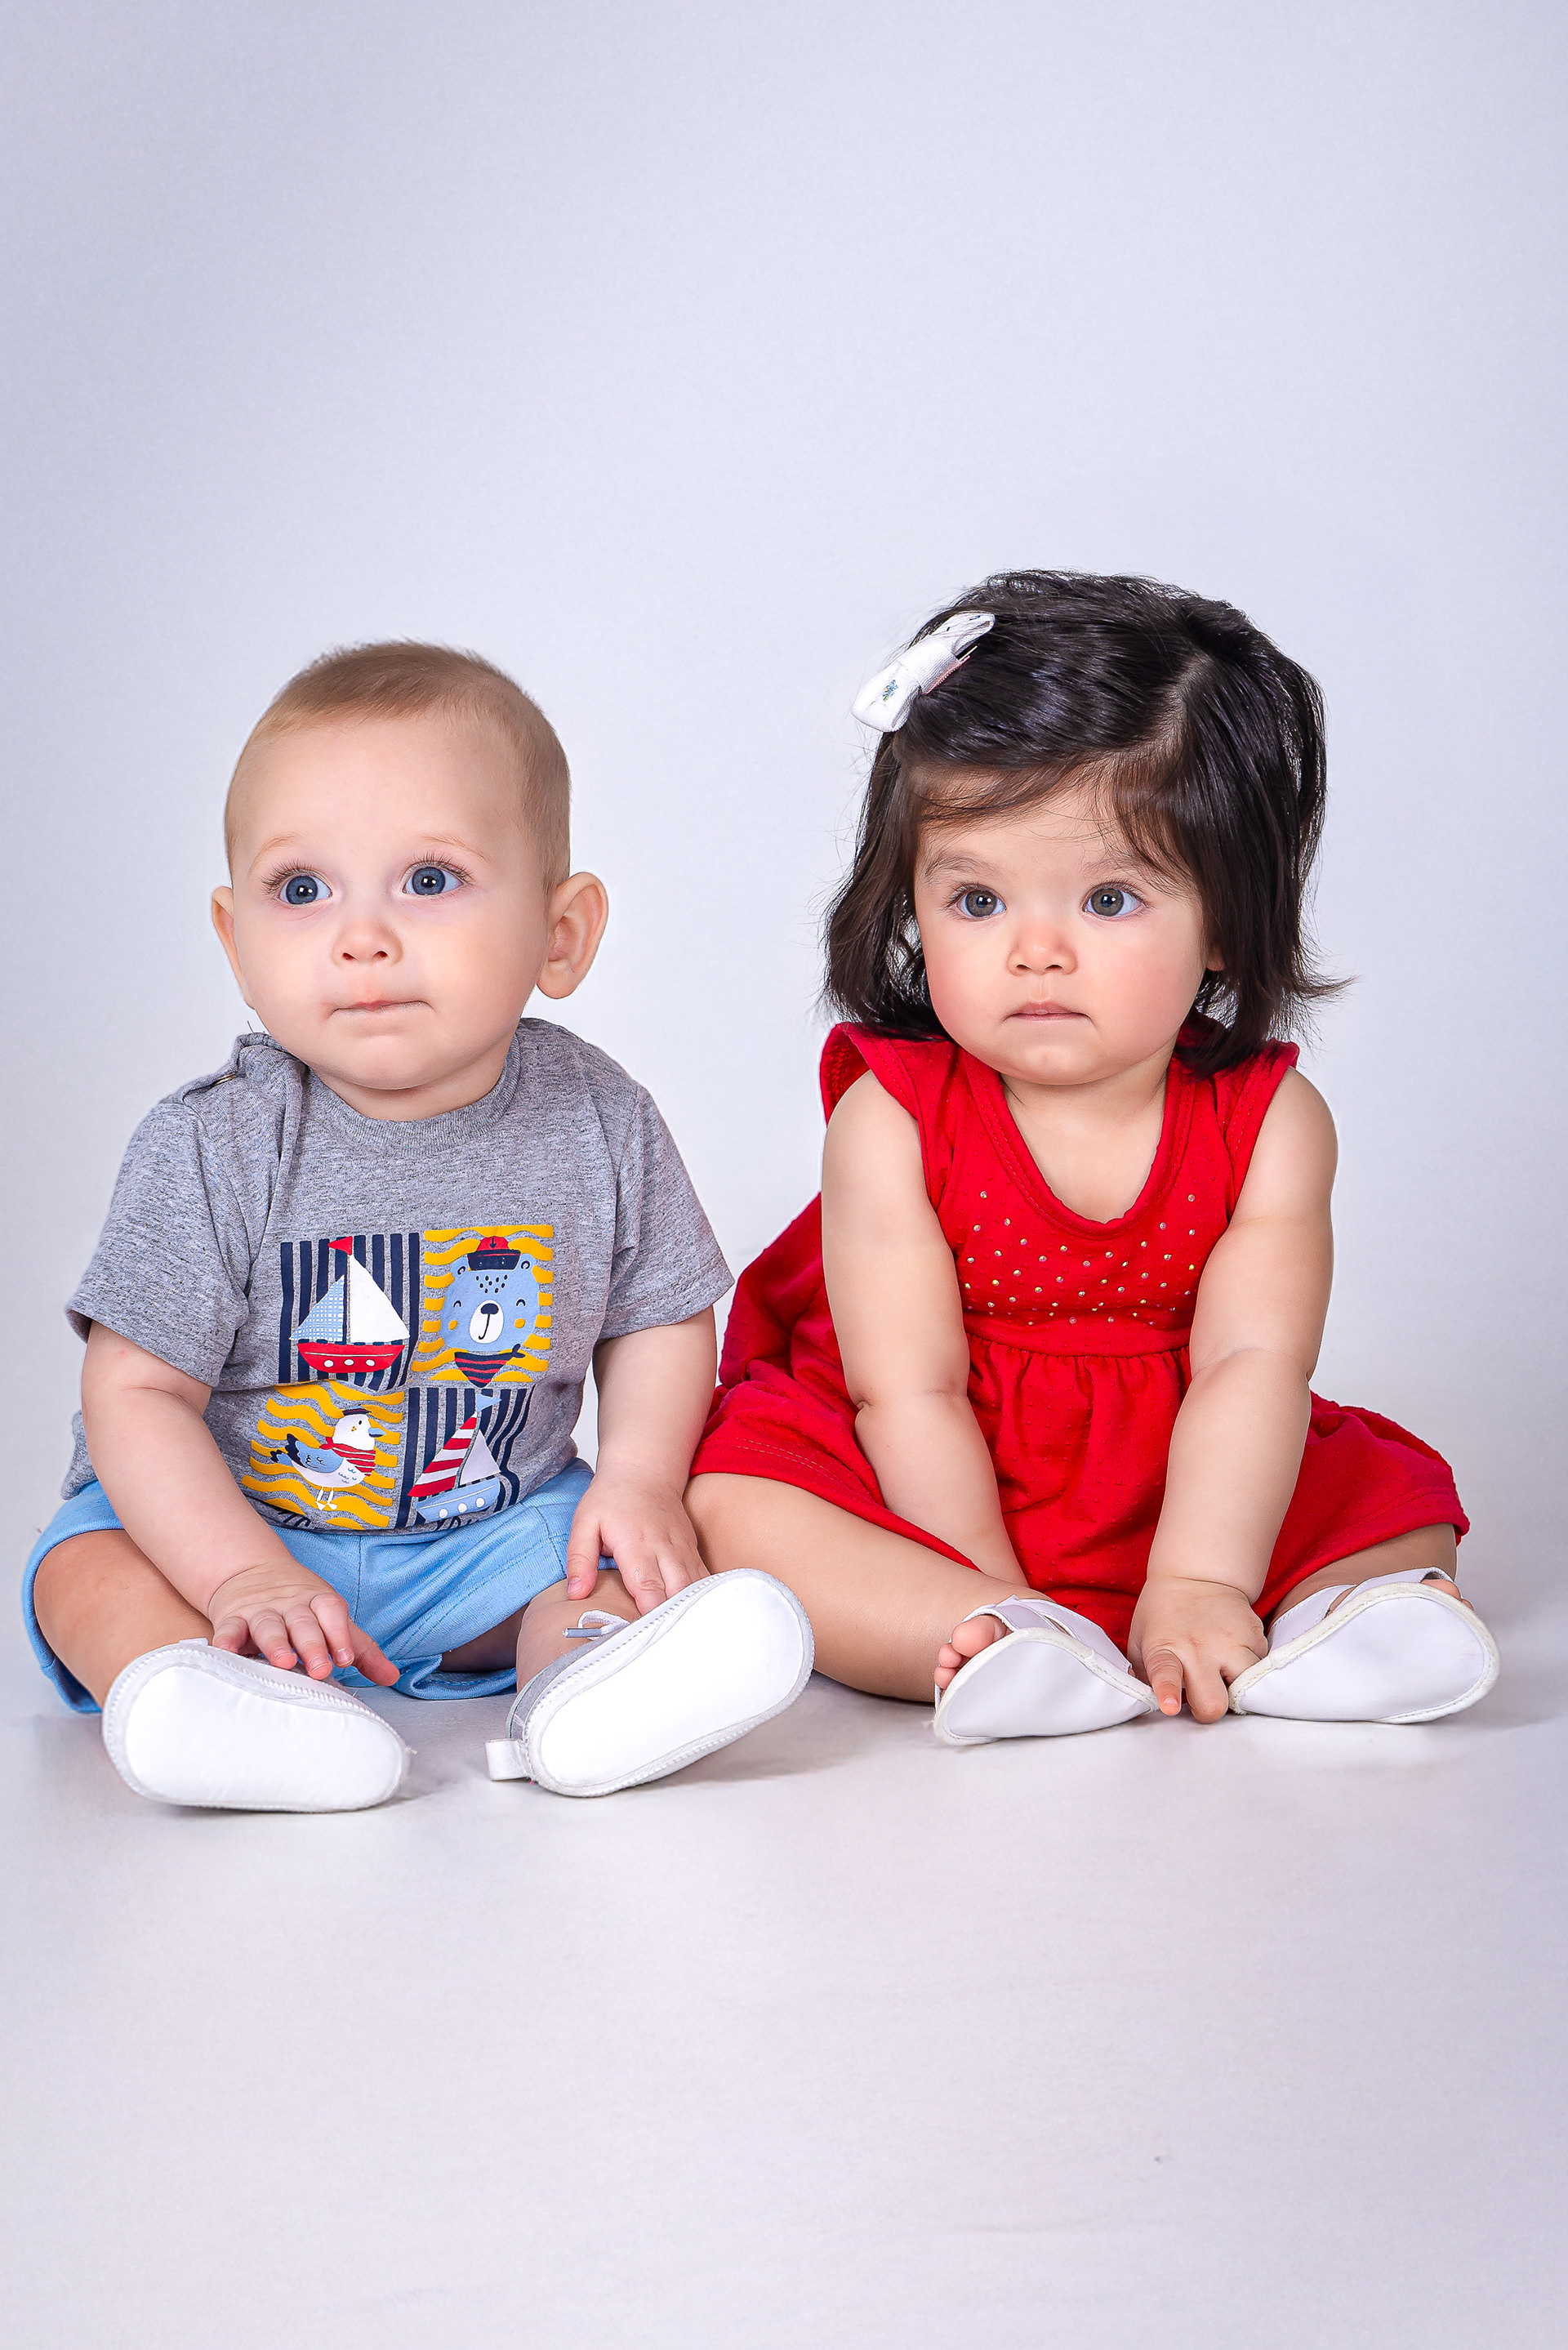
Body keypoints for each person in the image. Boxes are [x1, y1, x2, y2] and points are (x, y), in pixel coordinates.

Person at [687, 573, 1497, 1741]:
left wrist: (1202, 1575)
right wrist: (988, 1583)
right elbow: (904, 1387)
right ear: (910, 901)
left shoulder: (1269, 1121)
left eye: (1110, 899)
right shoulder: (893, 1117)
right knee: (741, 1500)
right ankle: (989, 1638)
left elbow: (1252, 1368)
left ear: (1226, 920)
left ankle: (1343, 1621)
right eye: (976, 900)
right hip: (936, 1460)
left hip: (1189, 1471)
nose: (1037, 951)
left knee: (1395, 1501)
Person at [25, 643, 811, 1810]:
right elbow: (134, 1392)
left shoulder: (597, 1117)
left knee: (607, 1560)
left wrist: (641, 1478)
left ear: (561, 933)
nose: (362, 936)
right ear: (236, 944)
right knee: (87, 1568)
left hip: (486, 1536)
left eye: (429, 879)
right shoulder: (214, 1141)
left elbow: (658, 1317)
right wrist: (240, 1574)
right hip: (226, 1534)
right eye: (303, 890)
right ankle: (202, 1695)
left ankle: (591, 1691)